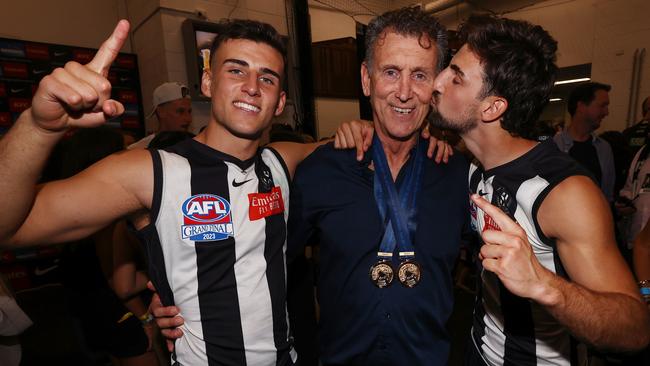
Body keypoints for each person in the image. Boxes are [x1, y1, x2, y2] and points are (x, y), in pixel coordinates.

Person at [0, 18, 327, 366]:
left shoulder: (281, 162)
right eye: (236, 70)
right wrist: (38, 127)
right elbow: (10, 226)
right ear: (207, 82)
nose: (251, 87)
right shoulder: (152, 172)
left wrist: (360, 127)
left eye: (267, 77)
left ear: (280, 102)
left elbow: (356, 143)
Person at [151, 7, 466, 366]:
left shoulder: (458, 175)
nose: (405, 92)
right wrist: (177, 297)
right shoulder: (320, 170)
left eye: (420, 75)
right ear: (366, 79)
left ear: (436, 84)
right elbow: (258, 257)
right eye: (391, 72)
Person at [337, 14, 650, 366]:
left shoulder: (564, 194)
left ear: (492, 107)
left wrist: (545, 286)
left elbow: (635, 329)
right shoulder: (471, 168)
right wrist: (365, 128)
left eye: (455, 77)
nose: (437, 82)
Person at [554, 82, 616, 202]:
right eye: (602, 106)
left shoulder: (604, 149)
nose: (606, 112)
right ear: (581, 106)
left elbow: (607, 196)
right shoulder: (554, 146)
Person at [128, 81, 193, 149]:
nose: (188, 119)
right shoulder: (138, 151)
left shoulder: (197, 146)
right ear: (161, 112)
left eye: (189, 111)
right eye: (180, 111)